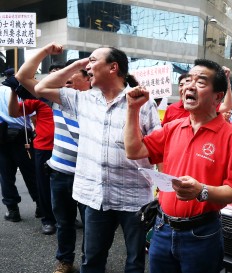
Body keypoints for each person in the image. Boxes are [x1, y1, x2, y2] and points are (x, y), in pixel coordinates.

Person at [34, 46, 161, 273]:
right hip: (95, 196)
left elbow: (158, 148)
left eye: (93, 61)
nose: (88, 66)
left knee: (135, 263)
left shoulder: (143, 103)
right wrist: (75, 66)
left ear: (113, 67)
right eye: (87, 63)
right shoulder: (83, 99)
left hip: (134, 198)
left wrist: (162, 190)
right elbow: (42, 86)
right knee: (92, 261)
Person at [124, 59, 232, 273]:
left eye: (200, 82)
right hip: (162, 229)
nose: (189, 86)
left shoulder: (231, 138)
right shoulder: (172, 128)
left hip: (201, 234)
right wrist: (132, 109)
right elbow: (134, 151)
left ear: (218, 96)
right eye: (188, 80)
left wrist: (202, 191)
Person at [15, 42, 91, 273]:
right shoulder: (56, 98)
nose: (63, 81)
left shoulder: (98, 103)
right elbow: (23, 75)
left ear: (88, 80)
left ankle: (90, 261)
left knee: (92, 226)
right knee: (64, 222)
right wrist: (46, 52)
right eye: (62, 76)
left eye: (71, 76)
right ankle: (65, 261)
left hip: (89, 175)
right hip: (60, 172)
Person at [8, 67, 57, 235]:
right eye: (52, 74)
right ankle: (48, 219)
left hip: (68, 149)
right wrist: (15, 92)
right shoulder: (39, 98)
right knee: (43, 186)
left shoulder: (72, 96)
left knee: (68, 186)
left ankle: (68, 217)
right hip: (44, 148)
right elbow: (14, 112)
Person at [0, 71, 39, 222]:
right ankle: (40, 206)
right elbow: (34, 117)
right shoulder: (24, 91)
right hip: (23, 136)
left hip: (1, 136)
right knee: (31, 172)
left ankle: (12, 210)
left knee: (6, 175)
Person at [162, 67, 232, 125]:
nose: (187, 87)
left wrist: (227, 82)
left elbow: (227, 106)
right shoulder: (171, 109)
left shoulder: (204, 106)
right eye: (181, 85)